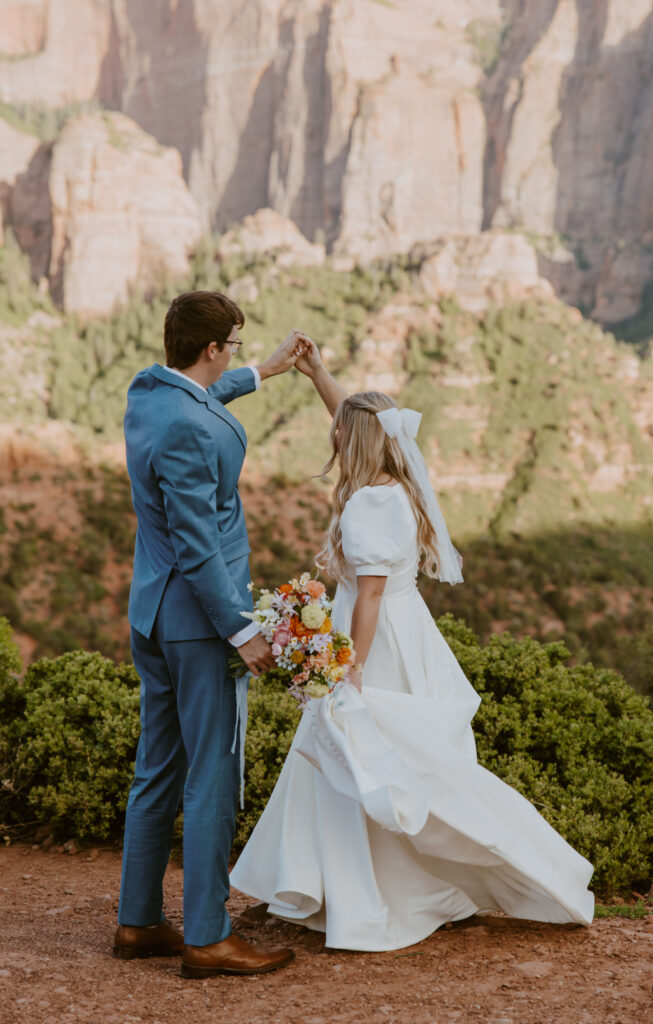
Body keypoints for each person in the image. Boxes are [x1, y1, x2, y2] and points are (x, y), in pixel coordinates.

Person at [231, 342, 595, 952]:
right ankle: (343, 884)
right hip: (407, 627)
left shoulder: (372, 502)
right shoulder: (393, 484)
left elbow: (367, 597)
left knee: (363, 751)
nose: (333, 436)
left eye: (340, 432)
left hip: (378, 639)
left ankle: (374, 894)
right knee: (378, 759)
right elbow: (355, 419)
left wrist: (350, 671)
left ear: (355, 442)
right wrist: (317, 373)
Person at [114, 290, 312, 978]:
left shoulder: (149, 396)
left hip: (152, 612)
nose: (229, 356)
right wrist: (239, 630)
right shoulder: (193, 431)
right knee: (214, 777)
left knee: (158, 769)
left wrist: (262, 371)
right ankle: (207, 934)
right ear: (209, 348)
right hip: (201, 623)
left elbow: (199, 398)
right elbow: (199, 543)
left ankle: (138, 922)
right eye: (230, 347)